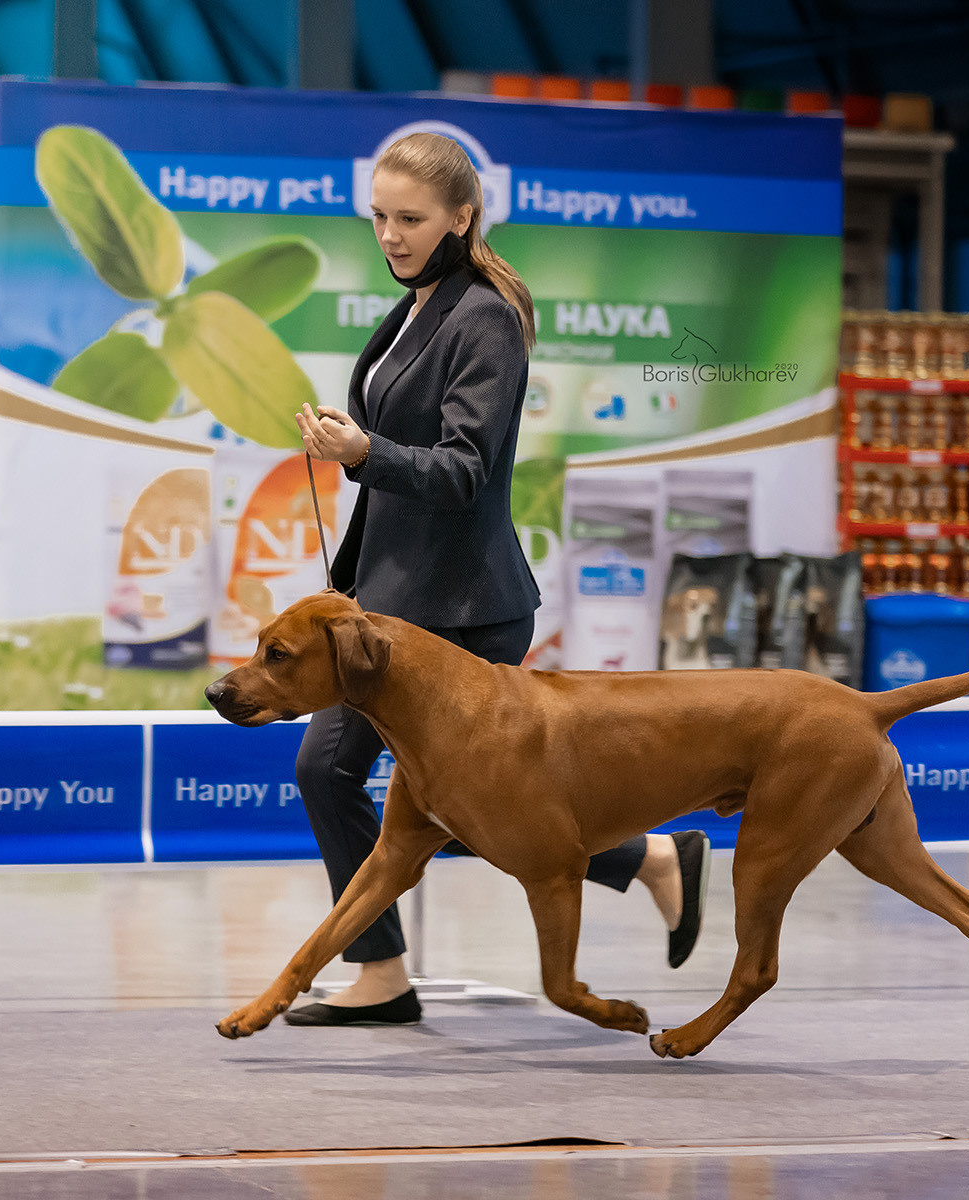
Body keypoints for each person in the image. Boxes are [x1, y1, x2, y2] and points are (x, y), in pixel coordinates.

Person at [282, 131, 710, 1028]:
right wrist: (354, 447)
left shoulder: (481, 314)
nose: (390, 235)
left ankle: (384, 974)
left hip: (459, 611)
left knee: (354, 776)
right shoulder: (420, 302)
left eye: (410, 218)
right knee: (453, 804)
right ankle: (647, 863)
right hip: (397, 602)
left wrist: (366, 451)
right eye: (379, 217)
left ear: (461, 217)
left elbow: (465, 470)